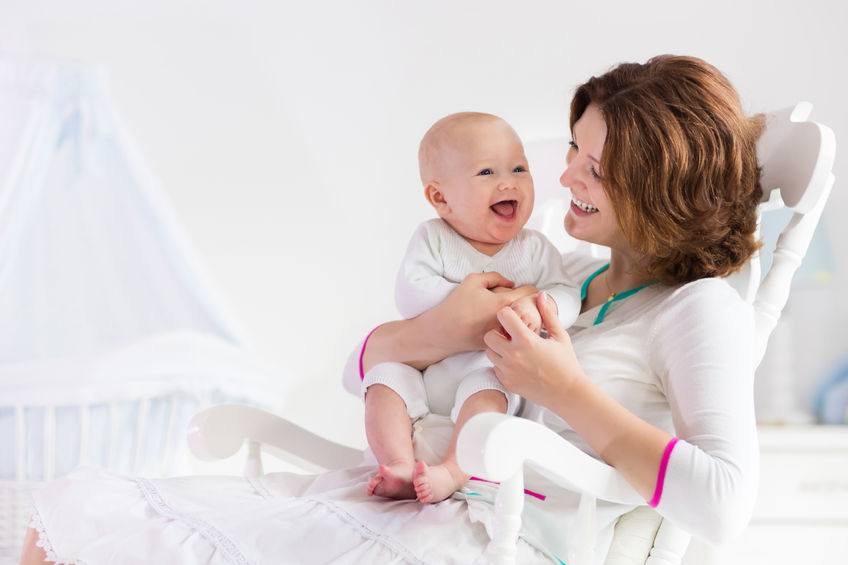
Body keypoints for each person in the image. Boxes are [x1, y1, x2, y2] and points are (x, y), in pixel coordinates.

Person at [20, 54, 763, 565]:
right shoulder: (568, 276)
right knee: (70, 518)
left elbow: (725, 504)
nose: (562, 173)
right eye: (572, 148)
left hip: (486, 536)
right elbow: (364, 369)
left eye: (593, 167)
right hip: (438, 503)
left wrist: (562, 389)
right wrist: (436, 330)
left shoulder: (698, 312)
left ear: (662, 187)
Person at [363, 111, 580, 503]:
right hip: (426, 369)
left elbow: (568, 294)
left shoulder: (535, 249)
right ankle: (398, 464)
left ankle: (453, 469)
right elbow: (410, 292)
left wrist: (539, 305)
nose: (508, 181)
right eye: (486, 172)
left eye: (519, 168)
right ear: (440, 197)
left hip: (488, 368)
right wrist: (469, 304)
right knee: (382, 378)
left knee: (490, 390)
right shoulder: (434, 238)